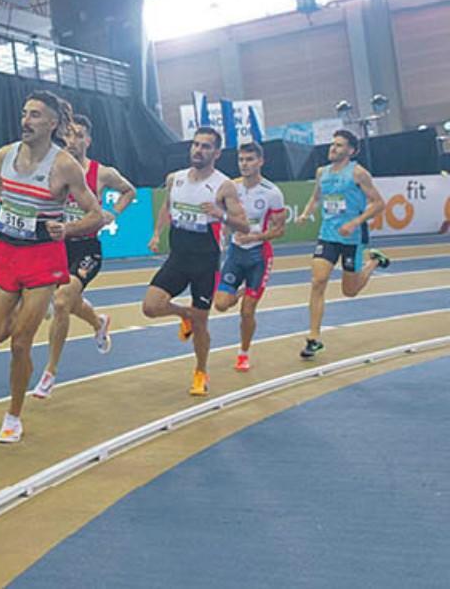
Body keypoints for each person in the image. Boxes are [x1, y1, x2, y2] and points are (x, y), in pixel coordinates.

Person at [0, 92, 104, 444]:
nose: (26, 120)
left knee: (20, 345)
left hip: (43, 259)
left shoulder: (64, 166)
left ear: (53, 124)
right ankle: (23, 311)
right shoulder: (4, 155)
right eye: (24, 113)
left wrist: (69, 229)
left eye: (36, 115)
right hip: (8, 254)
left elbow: (96, 214)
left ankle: (13, 415)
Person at [32, 113, 135, 398]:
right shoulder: (54, 168)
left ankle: (49, 373)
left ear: (88, 140)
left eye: (78, 135)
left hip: (87, 249)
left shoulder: (102, 173)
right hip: (57, 246)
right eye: (68, 134)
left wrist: (112, 213)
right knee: (68, 302)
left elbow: (129, 191)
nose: (72, 140)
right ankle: (98, 322)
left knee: (62, 300)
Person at [143, 127, 250, 396]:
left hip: (205, 261)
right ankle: (184, 314)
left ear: (216, 152)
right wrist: (157, 233)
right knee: (150, 307)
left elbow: (244, 225)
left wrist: (220, 214)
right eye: (195, 145)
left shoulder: (224, 185)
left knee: (202, 324)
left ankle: (201, 371)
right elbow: (167, 207)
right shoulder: (175, 179)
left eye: (205, 146)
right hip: (178, 257)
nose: (198, 150)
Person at [297, 129, 389, 359]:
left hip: (351, 238)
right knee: (318, 281)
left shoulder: (358, 173)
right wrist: (306, 213)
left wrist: (355, 222)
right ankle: (314, 337)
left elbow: (379, 203)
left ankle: (373, 262)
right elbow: (316, 197)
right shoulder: (322, 172)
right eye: (332, 144)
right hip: (327, 235)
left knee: (350, 291)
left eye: (339, 145)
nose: (333, 148)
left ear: (351, 150)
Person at [209, 142, 287, 371]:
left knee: (247, 311)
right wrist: (224, 232)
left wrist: (256, 237)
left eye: (250, 159)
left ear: (260, 161)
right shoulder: (230, 187)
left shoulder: (272, 193)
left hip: (259, 256)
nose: (245, 164)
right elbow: (221, 214)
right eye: (241, 160)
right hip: (235, 253)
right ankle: (242, 290)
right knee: (221, 304)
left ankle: (243, 352)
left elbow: (280, 230)